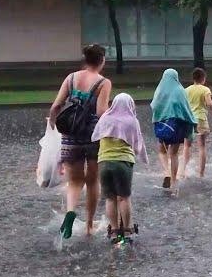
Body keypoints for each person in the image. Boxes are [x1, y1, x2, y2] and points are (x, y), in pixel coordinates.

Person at [48, 44, 112, 238]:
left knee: (75, 181)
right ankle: (89, 225)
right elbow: (101, 112)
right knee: (92, 182)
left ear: (86, 60)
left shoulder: (71, 78)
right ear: (101, 61)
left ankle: (70, 213)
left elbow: (57, 105)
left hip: (71, 134)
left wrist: (51, 125)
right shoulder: (103, 83)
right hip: (93, 135)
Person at [91, 93, 148, 243]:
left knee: (110, 198)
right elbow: (138, 143)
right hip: (123, 163)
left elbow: (95, 136)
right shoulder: (131, 121)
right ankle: (127, 231)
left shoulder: (105, 118)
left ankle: (115, 231)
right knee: (123, 197)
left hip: (104, 162)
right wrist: (142, 157)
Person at [150, 69, 198, 193]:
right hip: (177, 125)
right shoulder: (180, 90)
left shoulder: (160, 90)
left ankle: (166, 172)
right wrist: (192, 122)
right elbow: (186, 108)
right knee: (174, 153)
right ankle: (173, 182)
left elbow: (154, 105)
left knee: (161, 150)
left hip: (163, 124)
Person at [180, 67, 212, 179]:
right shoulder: (205, 89)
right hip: (200, 119)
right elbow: (209, 104)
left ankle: (183, 171)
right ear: (203, 78)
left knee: (187, 146)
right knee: (201, 146)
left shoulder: (186, 90)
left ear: (193, 78)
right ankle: (201, 174)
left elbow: (183, 106)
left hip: (188, 120)